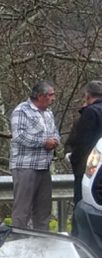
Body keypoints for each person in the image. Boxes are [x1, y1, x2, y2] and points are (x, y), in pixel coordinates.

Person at [9, 80, 60, 231]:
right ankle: (19, 238)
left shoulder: (48, 113)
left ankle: (41, 242)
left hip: (44, 166)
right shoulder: (21, 111)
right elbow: (18, 136)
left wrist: (56, 140)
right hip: (25, 167)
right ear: (40, 96)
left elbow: (55, 132)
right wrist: (44, 142)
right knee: (23, 209)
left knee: (43, 209)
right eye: (50, 95)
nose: (53, 98)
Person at [65, 81, 102, 209]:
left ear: (87, 96)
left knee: (82, 204)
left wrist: (73, 157)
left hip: (89, 168)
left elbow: (83, 142)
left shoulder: (91, 113)